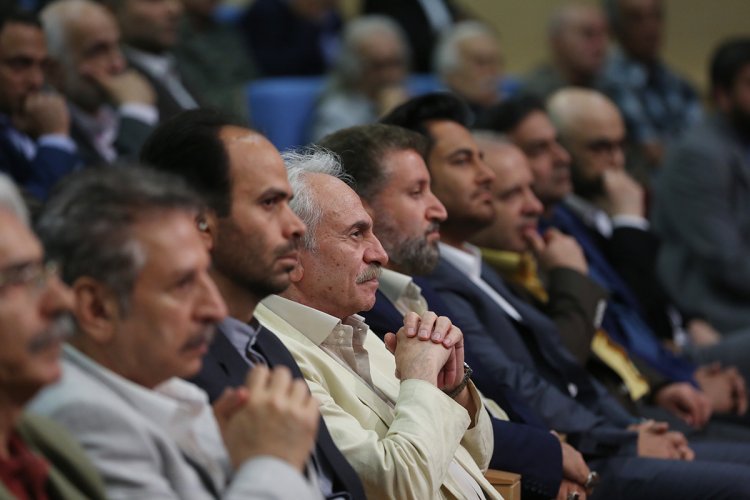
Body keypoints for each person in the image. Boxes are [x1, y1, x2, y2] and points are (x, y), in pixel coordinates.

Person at [381, 91, 750, 499]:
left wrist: (651, 401)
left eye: (481, 159)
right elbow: (521, 380)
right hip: (581, 453)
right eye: (463, 161)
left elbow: (572, 361)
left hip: (615, 424)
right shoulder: (434, 278)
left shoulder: (482, 263)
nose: (486, 175)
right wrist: (624, 437)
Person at [319, 123, 593, 500]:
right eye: (417, 192)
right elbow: (399, 476)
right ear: (362, 205)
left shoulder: (409, 293)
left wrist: (460, 392)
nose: (439, 210)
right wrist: (549, 458)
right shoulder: (356, 311)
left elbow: (483, 420)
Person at [30, 166, 323, 499]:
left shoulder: (164, 386)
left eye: (206, 276)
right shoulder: (83, 417)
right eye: (183, 284)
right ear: (97, 308)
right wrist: (272, 461)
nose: (215, 308)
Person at [479, 92, 750, 434]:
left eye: (621, 145)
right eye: (539, 149)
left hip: (658, 373)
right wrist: (683, 379)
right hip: (621, 406)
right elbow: (573, 356)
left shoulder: (568, 216)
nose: (561, 158)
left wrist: (678, 371)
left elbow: (624, 319)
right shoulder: (525, 243)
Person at [140, 108, 367, 499]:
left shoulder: (263, 342)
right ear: (199, 221)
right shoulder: (171, 367)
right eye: (269, 203)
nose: (295, 227)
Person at [254, 147, 502, 499]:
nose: (380, 254)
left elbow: (479, 457)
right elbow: (397, 488)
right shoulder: (271, 355)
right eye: (356, 234)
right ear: (292, 255)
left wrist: (453, 390)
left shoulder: (354, 327)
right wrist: (421, 379)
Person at [0, 173, 106, 499]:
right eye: (20, 277)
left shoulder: (48, 443)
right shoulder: (75, 422)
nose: (64, 300)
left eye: (42, 271)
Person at [652, 38, 750, 339]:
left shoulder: (741, 142)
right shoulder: (699, 155)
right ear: (722, 95)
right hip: (717, 312)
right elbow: (727, 263)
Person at [41, 0, 158, 168]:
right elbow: (134, 180)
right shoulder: (53, 135)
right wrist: (137, 111)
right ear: (53, 71)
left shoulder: (116, 112)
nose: (118, 64)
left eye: (117, 46)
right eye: (98, 50)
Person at [600, 0, 701, 176]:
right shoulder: (608, 81)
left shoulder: (677, 82)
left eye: (656, 16)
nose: (650, 27)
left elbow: (701, 144)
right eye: (636, 18)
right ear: (615, 27)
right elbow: (652, 153)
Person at [0, 8, 78, 201]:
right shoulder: (50, 129)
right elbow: (28, 212)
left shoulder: (30, 121)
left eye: (42, 65)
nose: (37, 80)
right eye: (20, 64)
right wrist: (55, 140)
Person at [309, 15, 410, 142]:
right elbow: (332, 154)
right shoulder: (335, 114)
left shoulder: (411, 101)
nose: (391, 75)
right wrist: (389, 119)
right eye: (378, 66)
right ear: (354, 68)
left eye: (396, 63)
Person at [106, 0, 201, 121]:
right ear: (112, 11)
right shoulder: (114, 81)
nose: (175, 9)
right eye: (154, 1)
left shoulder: (186, 59)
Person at [174, 0, 255, 122]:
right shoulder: (172, 35)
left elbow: (250, 75)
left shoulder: (225, 30)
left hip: (242, 107)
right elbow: (195, 93)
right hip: (203, 116)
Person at [522, 3, 609, 100]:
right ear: (557, 41)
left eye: (604, 34)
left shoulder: (610, 84)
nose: (600, 44)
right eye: (588, 34)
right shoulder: (536, 95)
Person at [240, 0, 342, 76]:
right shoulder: (266, 11)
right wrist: (311, 27)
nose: (324, 13)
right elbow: (270, 66)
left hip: (309, 79)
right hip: (272, 79)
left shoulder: (328, 19)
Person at [434, 21, 505, 117]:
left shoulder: (512, 111)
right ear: (452, 73)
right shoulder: (437, 115)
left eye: (496, 62)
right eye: (481, 62)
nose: (492, 70)